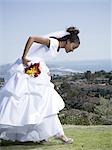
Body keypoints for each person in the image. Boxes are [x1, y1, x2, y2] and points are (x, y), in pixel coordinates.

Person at [0, 26, 80, 144]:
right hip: (30, 71)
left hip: (35, 72)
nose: (72, 50)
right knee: (40, 103)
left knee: (39, 104)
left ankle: (49, 134)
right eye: (73, 47)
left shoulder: (56, 46)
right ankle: (59, 134)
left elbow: (40, 55)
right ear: (68, 41)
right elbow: (32, 38)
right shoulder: (53, 42)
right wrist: (24, 57)